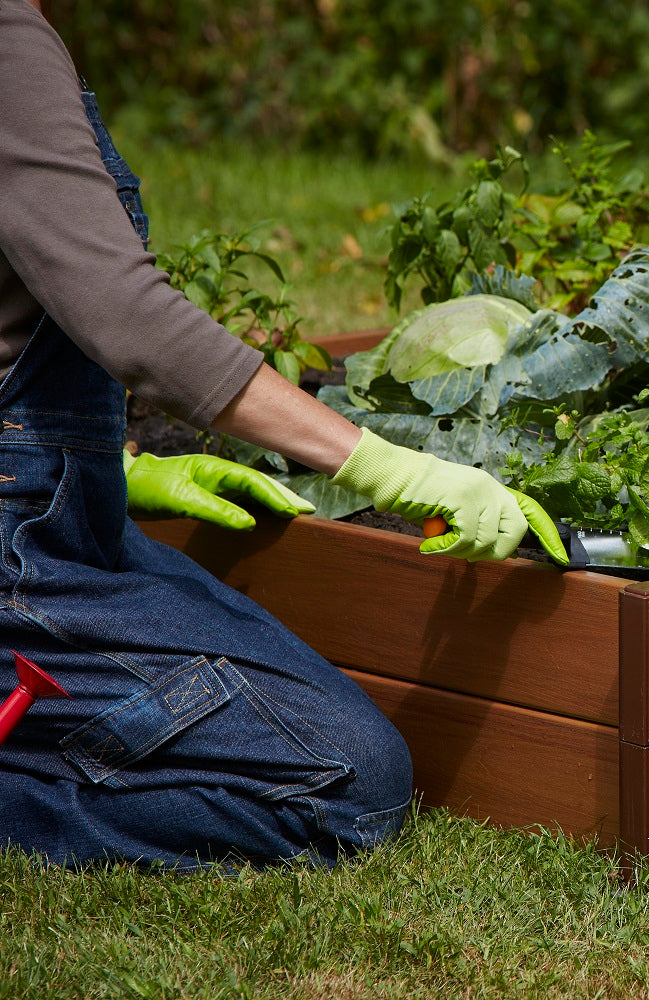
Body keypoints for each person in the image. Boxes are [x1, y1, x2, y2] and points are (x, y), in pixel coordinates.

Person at [0, 0, 565, 869]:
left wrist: (114, 466)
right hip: (19, 549)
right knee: (349, 784)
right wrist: (388, 467)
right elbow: (128, 315)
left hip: (59, 518)